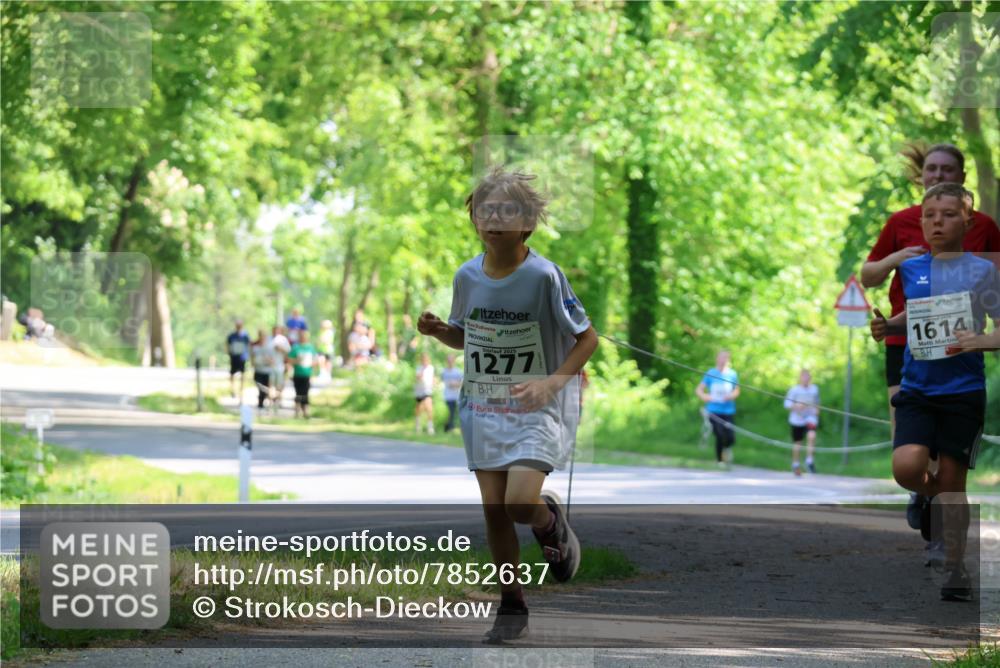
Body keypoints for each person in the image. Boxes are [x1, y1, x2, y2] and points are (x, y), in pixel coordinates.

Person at [417, 167, 598, 644]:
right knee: (495, 510)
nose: (494, 218)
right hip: (483, 406)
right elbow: (466, 336)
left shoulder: (543, 276)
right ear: (474, 219)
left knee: (520, 502)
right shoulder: (466, 276)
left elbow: (587, 338)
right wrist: (442, 332)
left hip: (534, 407)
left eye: (506, 211)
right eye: (485, 210)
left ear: (528, 223)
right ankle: (511, 606)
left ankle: (549, 523)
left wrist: (552, 384)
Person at [861, 143, 1000, 542]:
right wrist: (897, 258)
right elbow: (869, 275)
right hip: (906, 345)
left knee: (950, 458)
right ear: (921, 176)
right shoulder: (903, 222)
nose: (938, 176)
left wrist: (983, 336)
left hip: (959, 356)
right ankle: (927, 494)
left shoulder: (984, 229)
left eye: (947, 171)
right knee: (909, 445)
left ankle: (947, 531)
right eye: (932, 170)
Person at [696, 350, 740, 468]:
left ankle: (726, 449)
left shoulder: (732, 374)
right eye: (721, 357)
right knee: (719, 434)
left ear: (728, 360)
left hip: (728, 410)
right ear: (717, 359)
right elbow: (699, 390)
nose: (723, 360)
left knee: (730, 437)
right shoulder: (711, 373)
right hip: (713, 411)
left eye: (725, 358)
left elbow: (736, 390)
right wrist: (706, 397)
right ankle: (719, 460)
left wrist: (731, 396)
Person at [784, 369, 819, 475]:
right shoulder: (794, 390)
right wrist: (797, 406)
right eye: (804, 377)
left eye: (808, 377)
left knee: (811, 435)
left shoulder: (814, 389)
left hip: (810, 417)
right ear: (800, 378)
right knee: (798, 443)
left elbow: (817, 402)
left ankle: (809, 461)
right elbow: (787, 404)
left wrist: (817, 410)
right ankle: (796, 464)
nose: (806, 379)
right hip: (797, 419)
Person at [287, 330, 318, 419]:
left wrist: (312, 364)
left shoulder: (310, 348)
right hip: (297, 373)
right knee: (298, 392)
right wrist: (297, 361)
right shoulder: (296, 348)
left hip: (307, 373)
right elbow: (289, 359)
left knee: (305, 392)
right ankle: (297, 410)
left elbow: (315, 360)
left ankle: (305, 410)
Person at [268, 325, 291, 411]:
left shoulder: (283, 339)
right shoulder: (269, 339)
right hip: (270, 366)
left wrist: (280, 349)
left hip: (280, 366)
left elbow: (288, 352)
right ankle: (271, 401)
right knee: (271, 384)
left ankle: (278, 400)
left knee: (280, 384)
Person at [226, 319, 251, 400]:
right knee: (232, 374)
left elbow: (249, 346)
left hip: (242, 358)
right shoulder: (231, 336)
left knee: (242, 375)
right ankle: (232, 390)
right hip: (234, 358)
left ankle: (241, 392)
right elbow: (227, 346)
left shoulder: (245, 336)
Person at [250, 329, 271, 411]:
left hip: (267, 370)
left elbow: (272, 359)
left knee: (265, 387)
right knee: (259, 386)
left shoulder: (269, 346)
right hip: (258, 370)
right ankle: (260, 402)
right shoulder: (255, 346)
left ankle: (262, 403)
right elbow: (252, 356)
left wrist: (267, 360)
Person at [414, 352, 436, 434]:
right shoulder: (419, 368)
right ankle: (418, 425)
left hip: (428, 390)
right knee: (419, 409)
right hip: (419, 391)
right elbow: (418, 377)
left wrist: (434, 382)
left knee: (429, 408)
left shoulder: (431, 368)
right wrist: (422, 371)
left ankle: (430, 427)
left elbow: (433, 377)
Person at [441, 354, 463, 432]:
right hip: (448, 395)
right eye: (448, 360)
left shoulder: (458, 372)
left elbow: (463, 383)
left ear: (453, 361)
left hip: (456, 395)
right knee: (451, 411)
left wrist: (455, 384)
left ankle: (451, 426)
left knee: (456, 412)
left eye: (451, 360)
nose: (450, 362)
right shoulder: (444, 372)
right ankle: (450, 427)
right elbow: (441, 381)